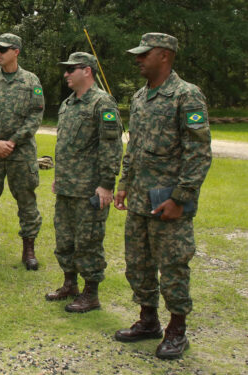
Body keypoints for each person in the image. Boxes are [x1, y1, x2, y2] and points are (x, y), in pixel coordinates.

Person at [113, 33, 212, 360]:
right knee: (137, 264)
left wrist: (181, 197)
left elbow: (198, 152)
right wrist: (124, 182)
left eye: (145, 54)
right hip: (140, 198)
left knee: (172, 265)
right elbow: (135, 146)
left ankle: (177, 330)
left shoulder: (187, 95)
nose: (138, 59)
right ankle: (148, 320)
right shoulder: (141, 97)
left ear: (165, 56)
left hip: (167, 199)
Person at [46, 52, 123, 313]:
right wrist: (58, 177)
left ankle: (91, 294)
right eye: (65, 70)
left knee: (88, 242)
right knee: (64, 239)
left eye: (71, 69)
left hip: (90, 189)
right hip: (67, 186)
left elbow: (111, 147)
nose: (66, 74)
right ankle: (70, 285)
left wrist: (106, 184)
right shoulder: (68, 104)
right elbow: (64, 146)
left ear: (87, 71)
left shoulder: (103, 103)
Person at [0, 33, 45, 269]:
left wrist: (12, 141)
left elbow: (36, 115)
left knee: (26, 201)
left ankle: (29, 250)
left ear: (16, 52)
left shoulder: (31, 81)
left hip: (20, 153)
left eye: (4, 49)